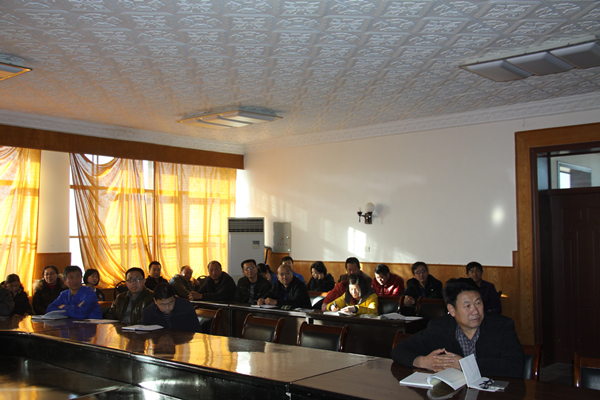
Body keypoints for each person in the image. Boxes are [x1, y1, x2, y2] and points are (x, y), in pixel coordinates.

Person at [391, 278, 524, 378]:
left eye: (478, 303)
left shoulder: (501, 326)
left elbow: (515, 366)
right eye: (467, 306)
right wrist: (423, 361)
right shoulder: (439, 327)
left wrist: (465, 365)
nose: (475, 311)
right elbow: (399, 350)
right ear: (452, 310)